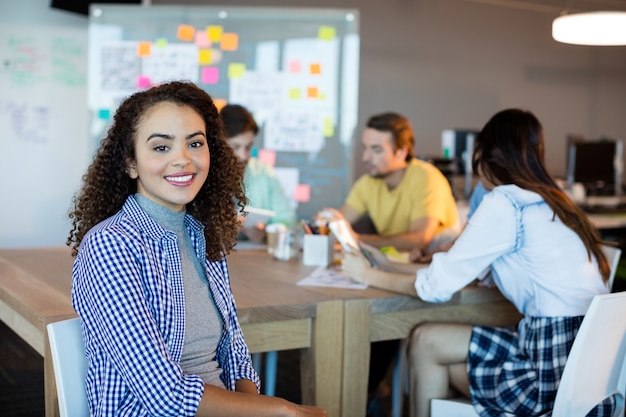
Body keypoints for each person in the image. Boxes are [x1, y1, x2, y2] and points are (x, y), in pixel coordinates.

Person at [67, 81, 326, 417]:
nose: (183, 160)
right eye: (161, 148)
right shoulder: (110, 245)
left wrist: (258, 409)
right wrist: (279, 410)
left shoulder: (202, 236)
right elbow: (165, 395)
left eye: (195, 143)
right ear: (131, 164)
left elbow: (234, 352)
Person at [341, 108, 612, 417]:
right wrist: (385, 265)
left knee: (426, 344)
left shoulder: (504, 202)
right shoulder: (555, 200)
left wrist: (365, 274)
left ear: (484, 154)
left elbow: (435, 288)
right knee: (427, 341)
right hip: (587, 372)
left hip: (547, 379)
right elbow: (459, 271)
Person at [322, 112, 460, 254]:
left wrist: (356, 238)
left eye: (376, 150)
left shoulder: (426, 178)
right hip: (398, 263)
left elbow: (419, 239)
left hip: (434, 265)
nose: (365, 157)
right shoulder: (368, 182)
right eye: (365, 148)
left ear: (401, 152)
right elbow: (337, 223)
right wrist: (326, 222)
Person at [220, 104, 296, 243]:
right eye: (235, 147)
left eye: (248, 147)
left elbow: (287, 219)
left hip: (253, 257)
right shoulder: (202, 174)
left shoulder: (264, 172)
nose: (243, 156)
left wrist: (267, 233)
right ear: (219, 144)